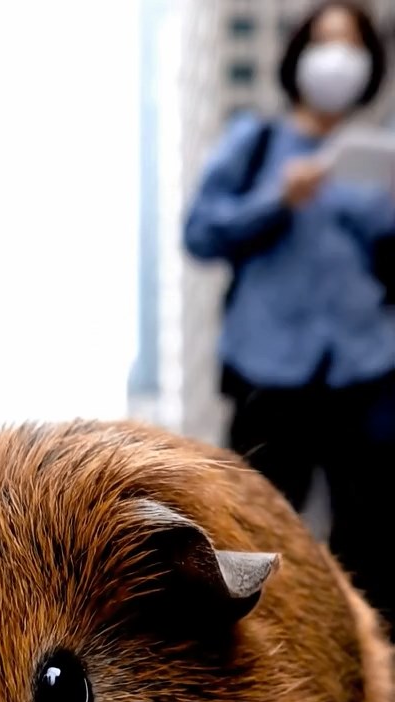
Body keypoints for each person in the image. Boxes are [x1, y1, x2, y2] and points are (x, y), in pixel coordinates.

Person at [184, 2, 395, 639]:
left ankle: (370, 686)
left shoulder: (379, 158)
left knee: (375, 547)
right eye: (324, 43)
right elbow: (201, 231)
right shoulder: (258, 144)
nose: (337, 60)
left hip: (367, 369)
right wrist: (278, 197)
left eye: (351, 46)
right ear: (298, 54)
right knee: (253, 533)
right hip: (270, 369)